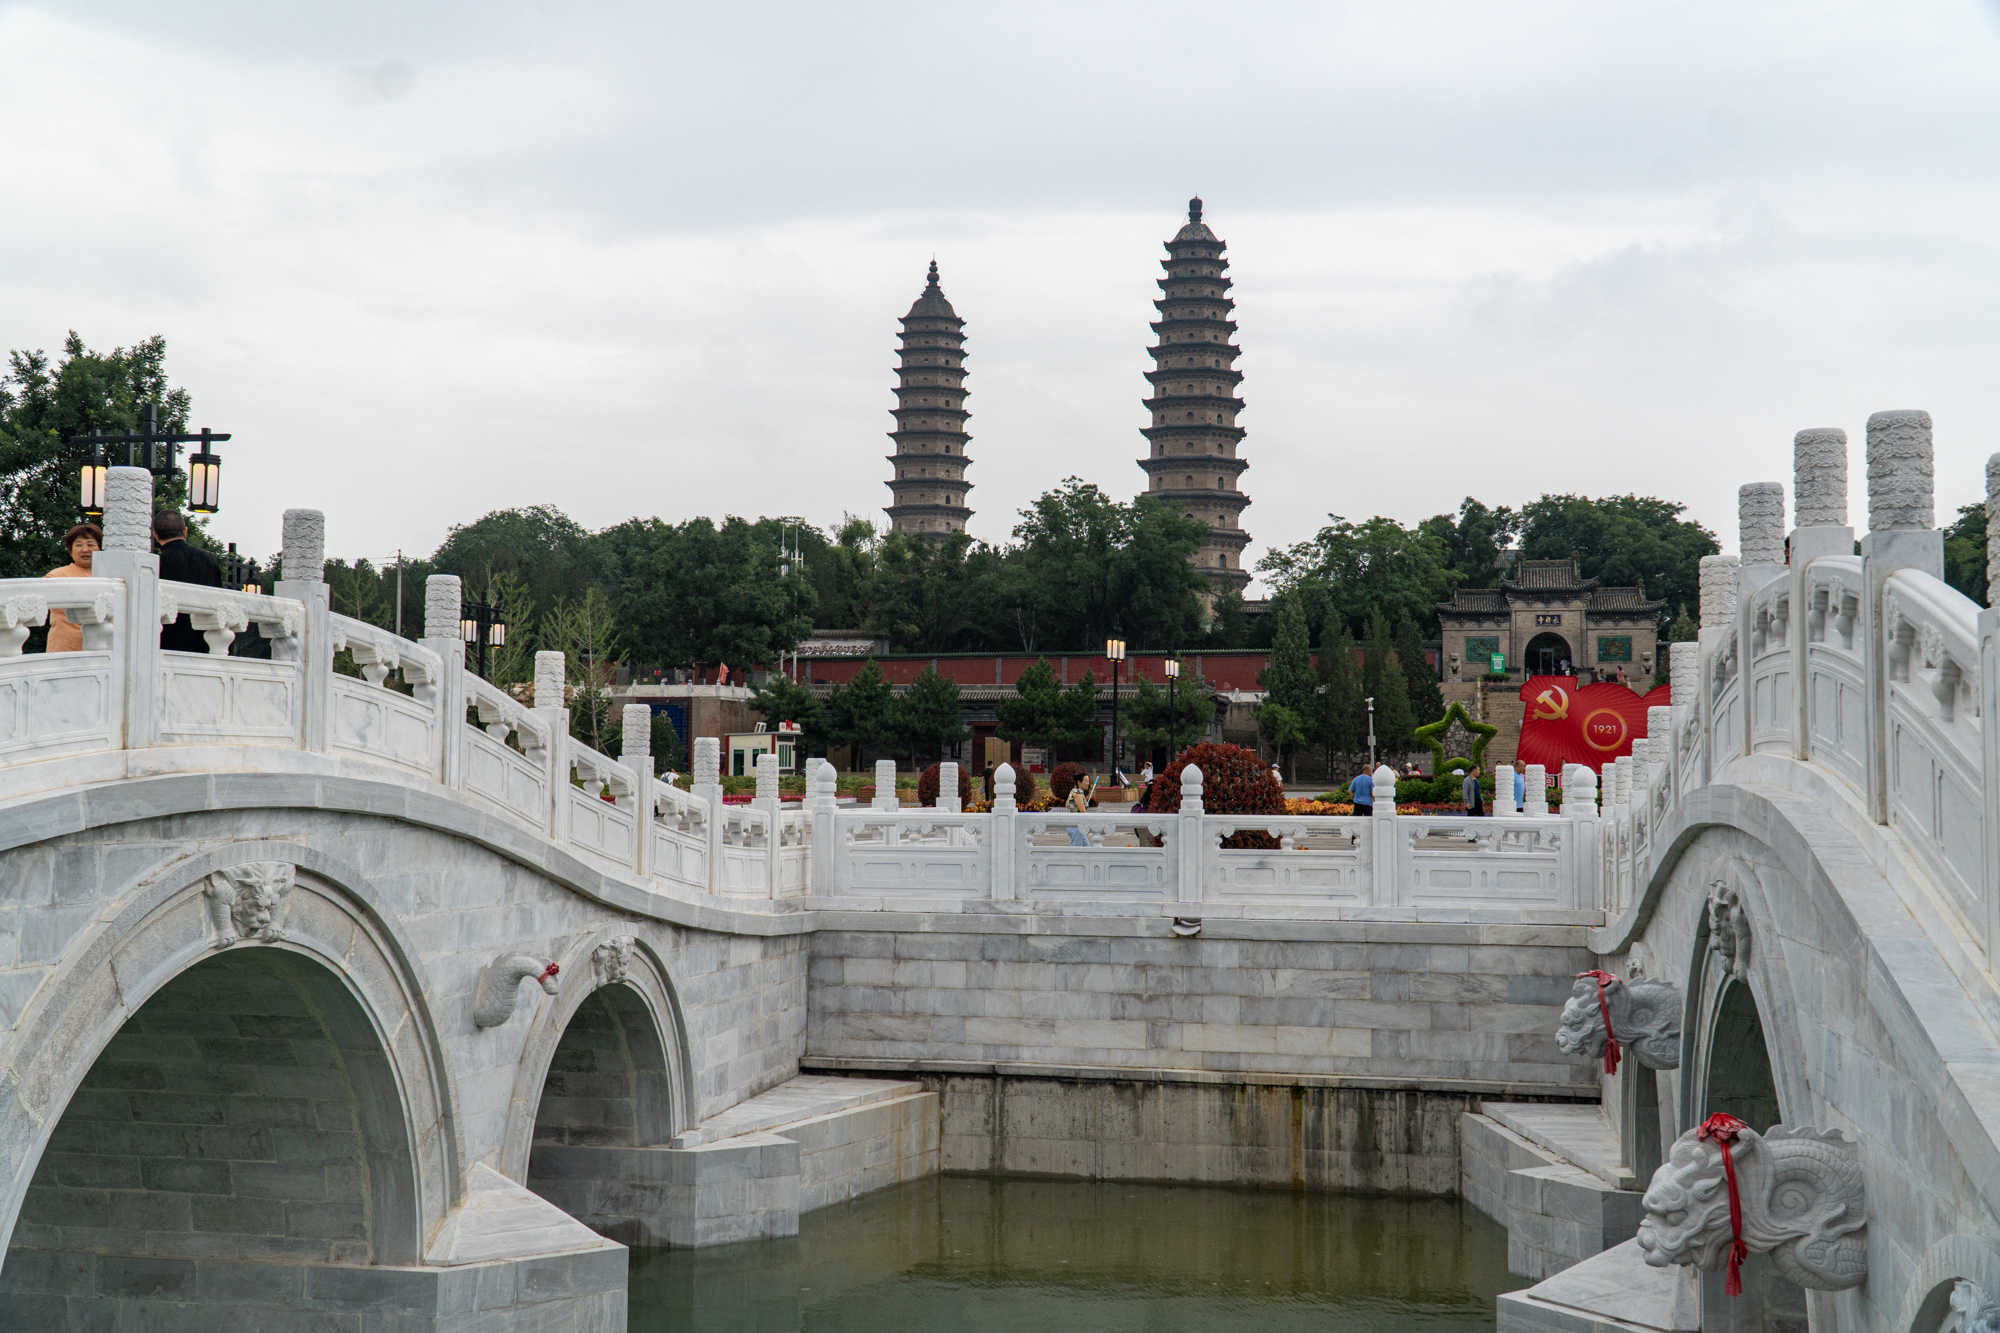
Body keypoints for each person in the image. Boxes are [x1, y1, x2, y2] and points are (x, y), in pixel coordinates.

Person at [155, 510, 224, 653]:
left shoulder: (157, 563)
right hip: (205, 641)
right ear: (185, 531)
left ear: (156, 535)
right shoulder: (207, 560)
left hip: (168, 643)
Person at [43, 522, 102, 652]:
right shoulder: (57, 575)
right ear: (70, 550)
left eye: (90, 544)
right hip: (64, 648)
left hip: (101, 648)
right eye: (79, 545)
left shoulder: (109, 576)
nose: (85, 549)